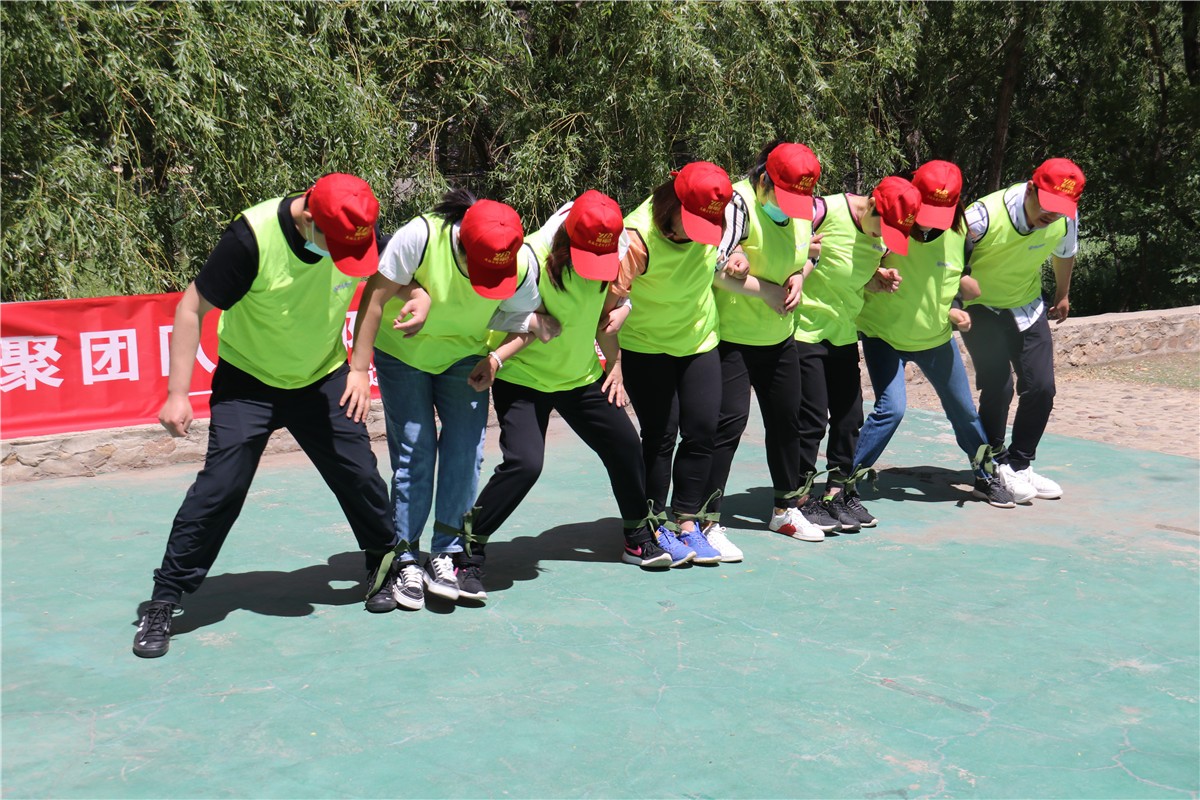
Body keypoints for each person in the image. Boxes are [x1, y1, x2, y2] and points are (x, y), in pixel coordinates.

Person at [133, 173, 403, 659]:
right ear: (309, 219)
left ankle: (384, 567)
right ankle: (165, 599)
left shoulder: (354, 227)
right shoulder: (251, 238)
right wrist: (177, 393)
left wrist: (409, 306)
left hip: (321, 376)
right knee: (220, 488)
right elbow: (192, 307)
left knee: (359, 472)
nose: (347, 256)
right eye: (339, 246)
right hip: (249, 382)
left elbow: (391, 282)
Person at [453, 190, 675, 600]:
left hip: (580, 377)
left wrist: (617, 360)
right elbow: (486, 313)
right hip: (524, 380)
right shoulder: (527, 259)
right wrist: (514, 340)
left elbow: (610, 309)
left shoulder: (615, 244)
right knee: (525, 465)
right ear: (567, 239)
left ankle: (636, 536)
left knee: (626, 445)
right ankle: (466, 551)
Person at [347, 191, 558, 611]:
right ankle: (405, 557)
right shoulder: (422, 236)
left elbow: (524, 324)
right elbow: (374, 295)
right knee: (416, 450)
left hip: (464, 356)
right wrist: (357, 368)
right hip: (403, 354)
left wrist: (496, 359)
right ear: (462, 244)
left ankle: (446, 553)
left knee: (466, 450)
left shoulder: (518, 264)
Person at [851, 160, 1032, 512]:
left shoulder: (960, 236)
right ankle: (844, 483)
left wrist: (954, 309)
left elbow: (946, 282)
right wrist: (875, 277)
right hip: (883, 335)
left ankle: (985, 476)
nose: (930, 222)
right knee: (892, 410)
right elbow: (857, 268)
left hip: (935, 338)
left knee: (964, 411)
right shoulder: (888, 226)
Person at [616, 161, 743, 566]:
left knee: (703, 429)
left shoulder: (717, 219)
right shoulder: (637, 237)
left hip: (698, 339)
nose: (702, 232)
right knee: (660, 435)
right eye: (694, 222)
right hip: (646, 345)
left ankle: (686, 523)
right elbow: (610, 301)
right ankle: (653, 525)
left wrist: (737, 256)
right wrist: (612, 362)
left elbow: (730, 246)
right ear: (673, 205)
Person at [700, 141, 820, 553]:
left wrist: (799, 276)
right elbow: (713, 267)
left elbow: (807, 255)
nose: (791, 207)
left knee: (788, 420)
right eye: (784, 195)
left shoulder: (804, 206)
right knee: (727, 425)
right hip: (730, 337)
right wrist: (765, 289)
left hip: (778, 337)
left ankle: (785, 509)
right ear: (765, 179)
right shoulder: (738, 203)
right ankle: (706, 520)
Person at [792, 176, 922, 539]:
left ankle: (836, 493)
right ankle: (799, 498)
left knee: (849, 418)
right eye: (885, 226)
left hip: (843, 333)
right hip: (805, 332)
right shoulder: (823, 211)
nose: (885, 237)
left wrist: (876, 278)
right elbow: (793, 255)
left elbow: (848, 272)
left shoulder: (879, 239)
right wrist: (801, 252)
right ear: (873, 205)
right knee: (812, 420)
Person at [959, 158, 1085, 501]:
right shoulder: (982, 217)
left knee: (1042, 386)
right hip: (980, 308)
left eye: (1060, 208)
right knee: (999, 386)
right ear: (1031, 188)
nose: (1052, 214)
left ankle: (1019, 464)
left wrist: (1062, 294)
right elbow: (947, 259)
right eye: (1048, 204)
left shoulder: (1065, 217)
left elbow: (1065, 252)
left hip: (1027, 305)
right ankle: (991, 465)